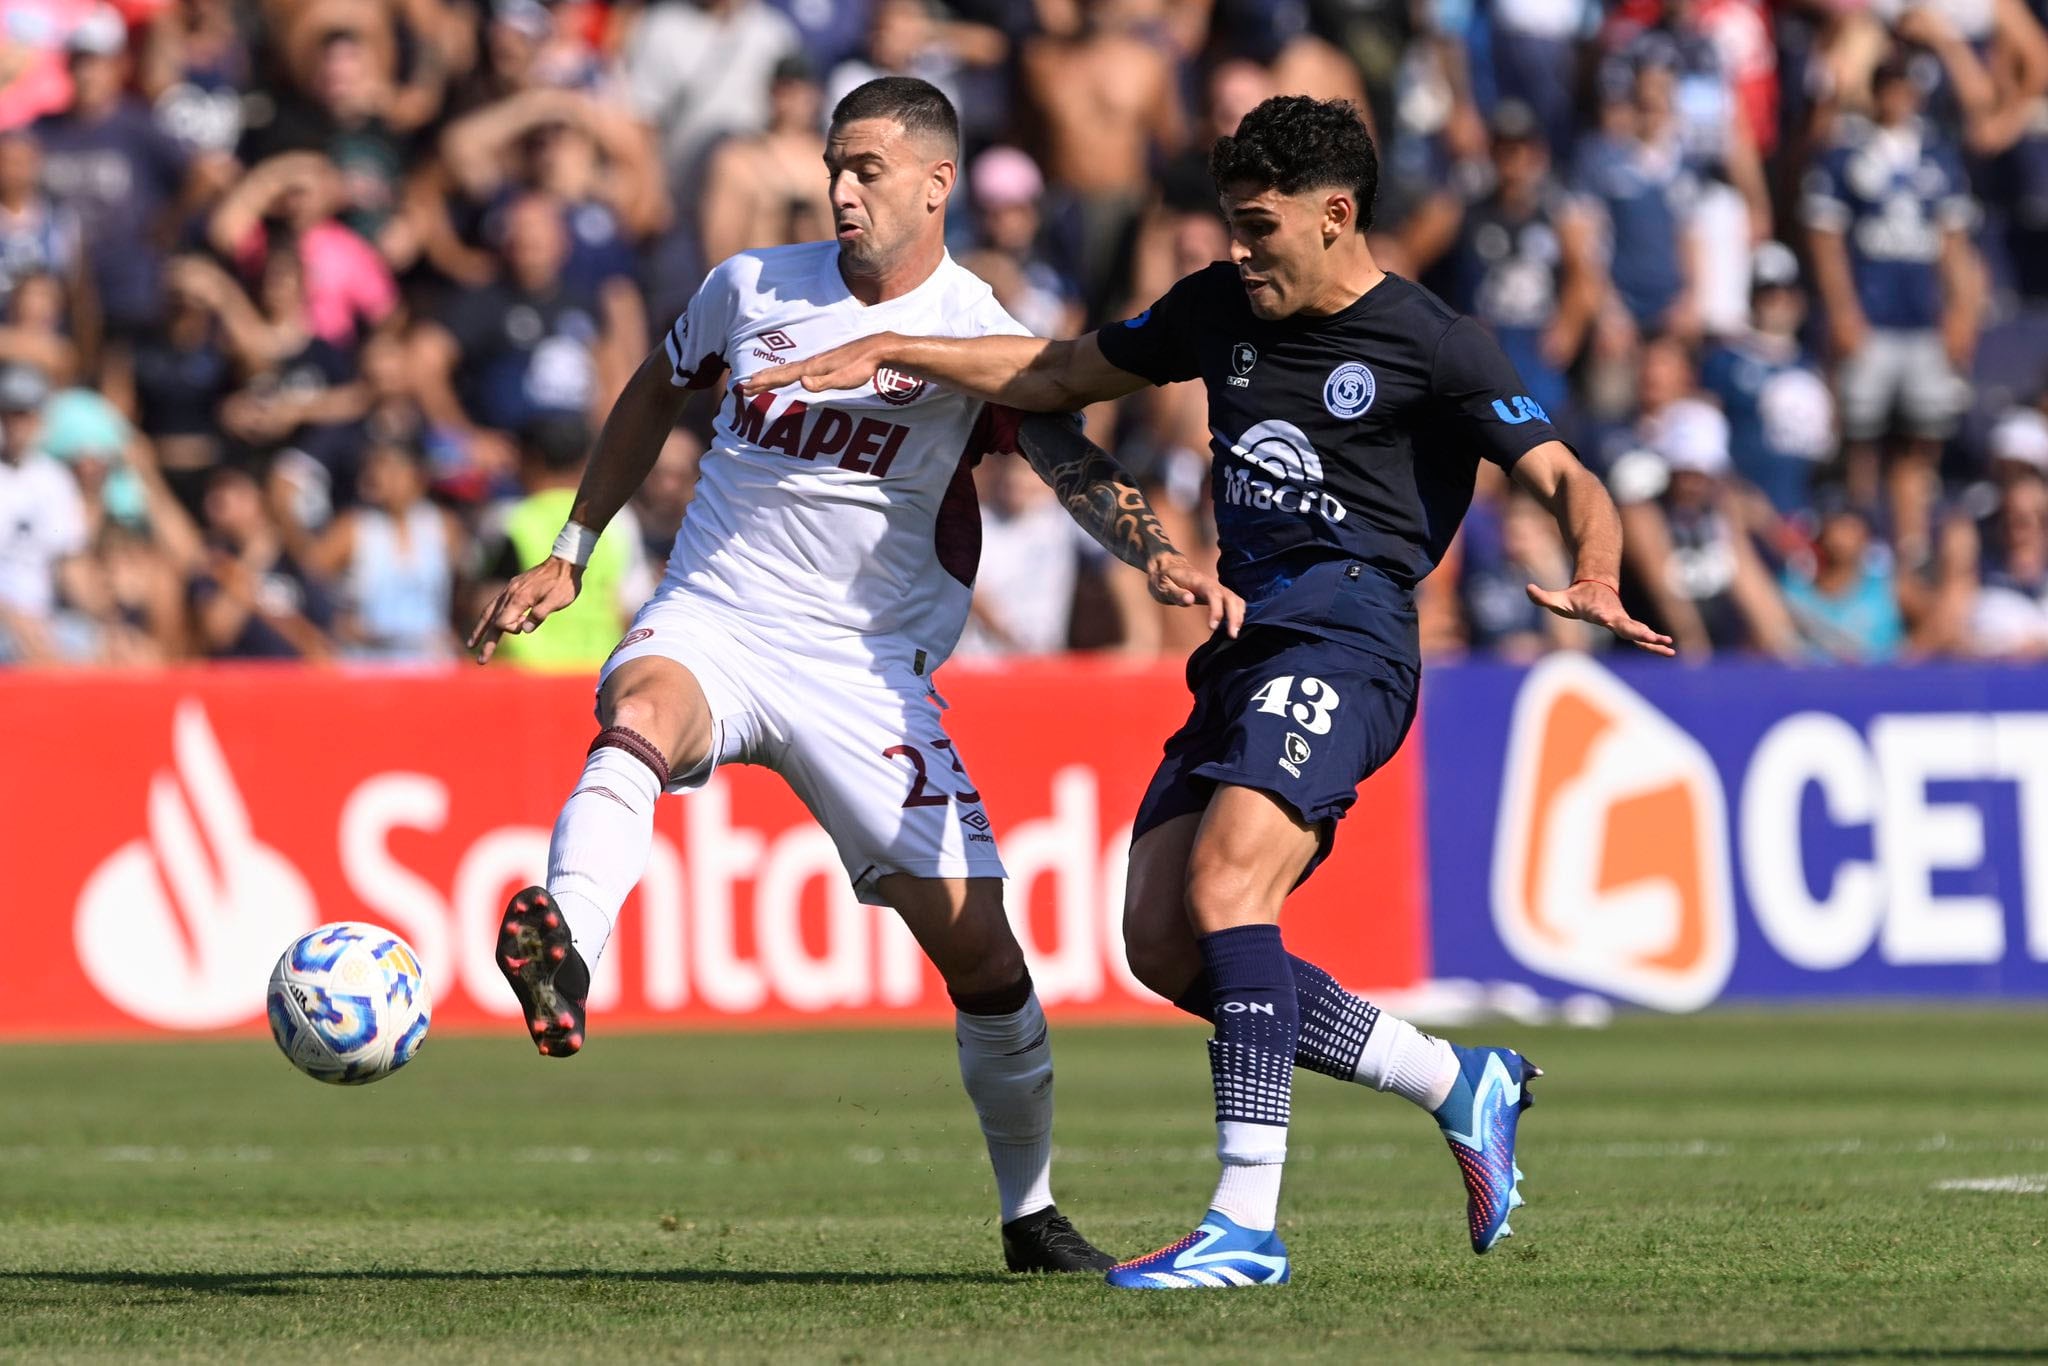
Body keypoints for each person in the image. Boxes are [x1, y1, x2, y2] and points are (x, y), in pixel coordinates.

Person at [747, 94, 1675, 1289]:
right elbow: (1058, 371)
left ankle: (1244, 1224)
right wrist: (900, 349)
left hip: (1348, 638)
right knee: (1162, 944)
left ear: (1335, 215)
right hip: (1240, 645)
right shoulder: (1216, 306)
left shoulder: (1435, 342)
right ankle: (1456, 1080)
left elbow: (1565, 475)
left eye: (1259, 229)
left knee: (1228, 884)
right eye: (1232, 226)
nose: (1238, 251)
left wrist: (1593, 569)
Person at [466, 77, 1234, 1275]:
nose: (839, 188)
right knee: (637, 710)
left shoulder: (973, 324)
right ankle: (568, 945)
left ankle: (1030, 1216)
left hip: (863, 669)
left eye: (866, 168)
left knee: (986, 961)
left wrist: (1155, 555)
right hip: (716, 615)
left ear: (935, 183)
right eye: (833, 165)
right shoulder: (747, 287)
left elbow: (1061, 451)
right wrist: (572, 548)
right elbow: (655, 390)